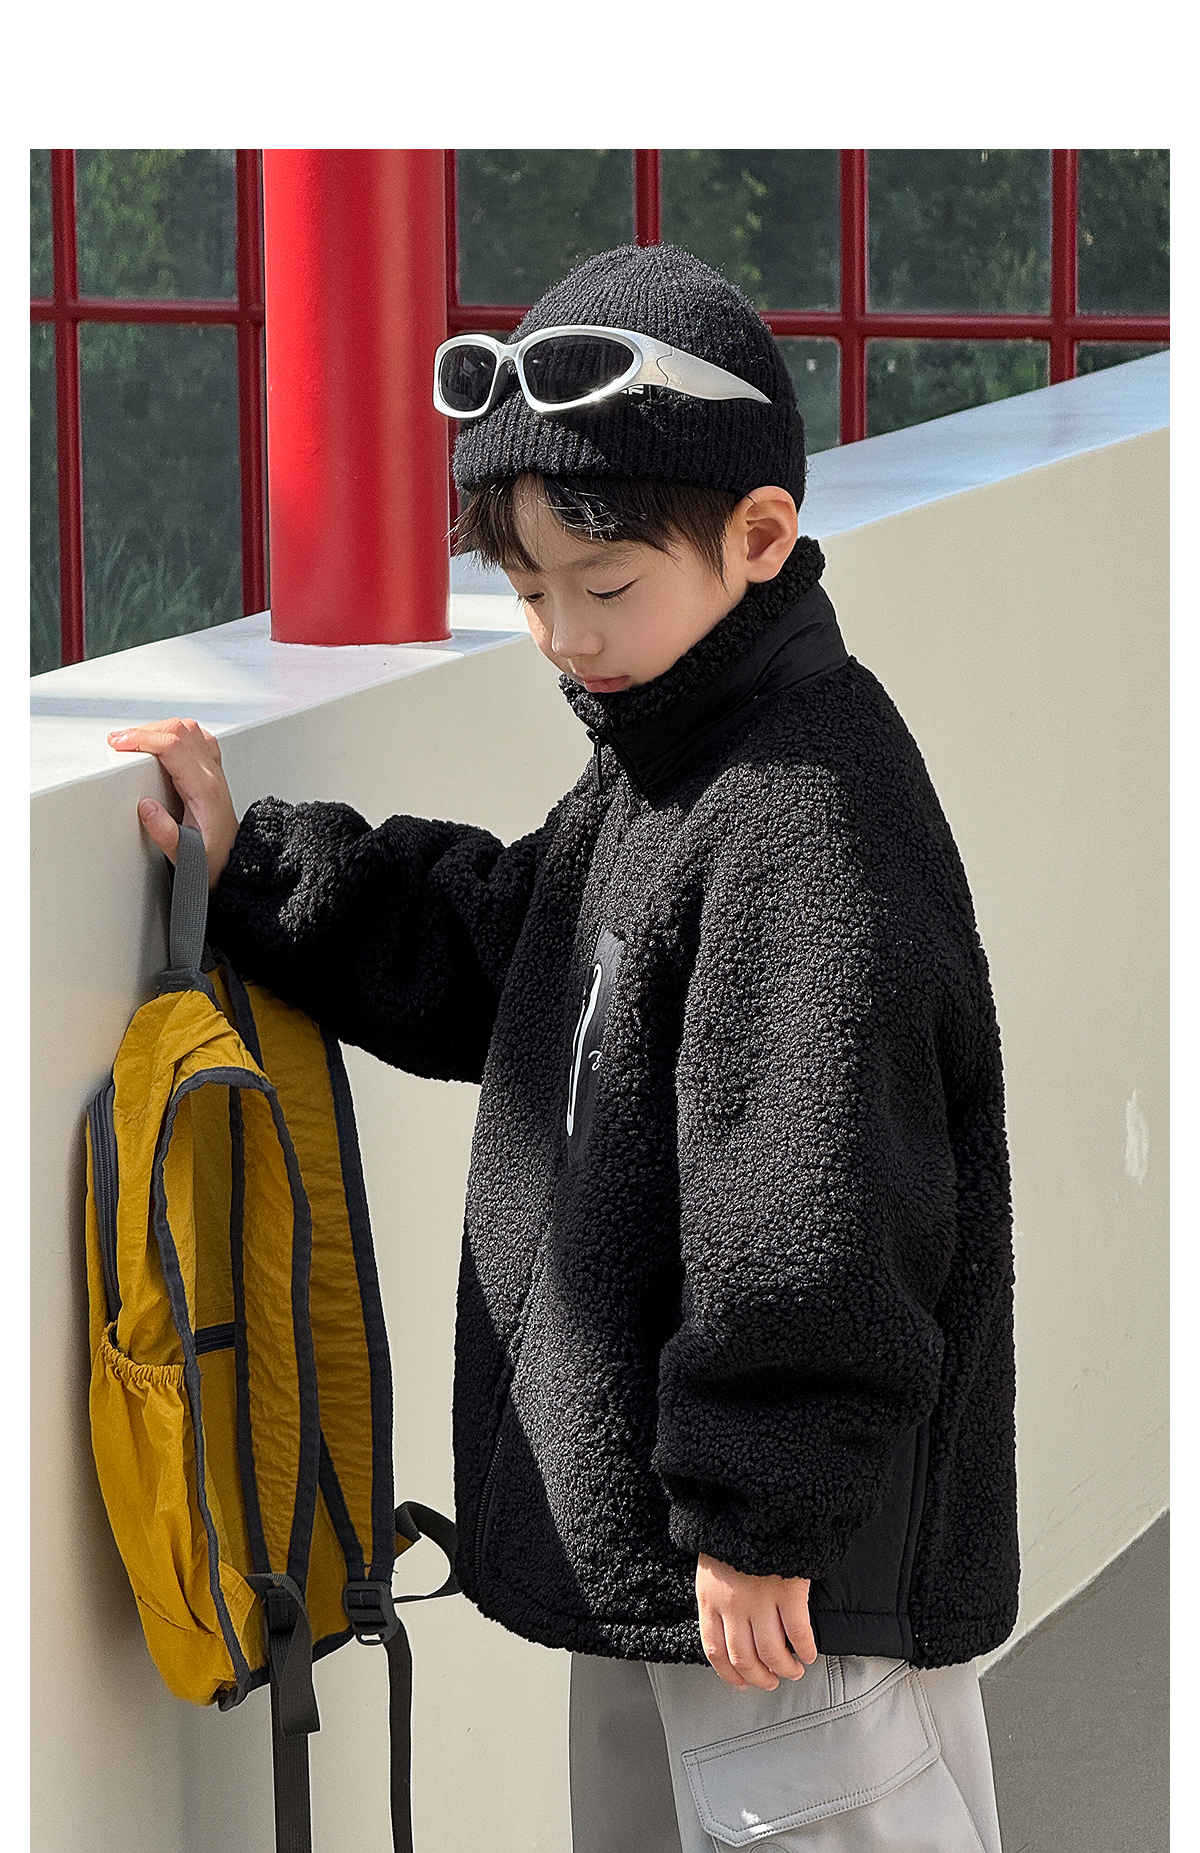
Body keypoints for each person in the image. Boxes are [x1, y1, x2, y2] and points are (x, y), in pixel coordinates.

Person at [107, 241, 1016, 1851]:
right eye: (529, 593)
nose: (560, 637)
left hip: (778, 1585)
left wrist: (761, 1507)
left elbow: (820, 1198)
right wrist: (257, 869)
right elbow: (503, 951)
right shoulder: (668, 767)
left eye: (603, 590)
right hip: (688, 1548)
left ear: (760, 537)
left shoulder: (802, 814)